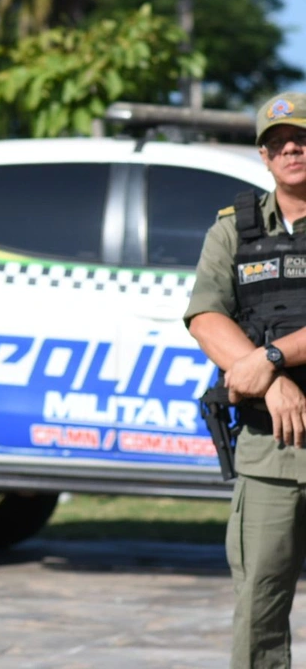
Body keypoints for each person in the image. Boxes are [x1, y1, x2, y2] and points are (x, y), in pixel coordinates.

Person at [186, 90, 306, 668]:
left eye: (302, 138)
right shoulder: (235, 230)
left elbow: (266, 355)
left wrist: (273, 358)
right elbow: (207, 317)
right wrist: (268, 378)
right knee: (259, 606)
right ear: (263, 155)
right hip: (272, 448)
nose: (292, 148)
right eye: (278, 141)